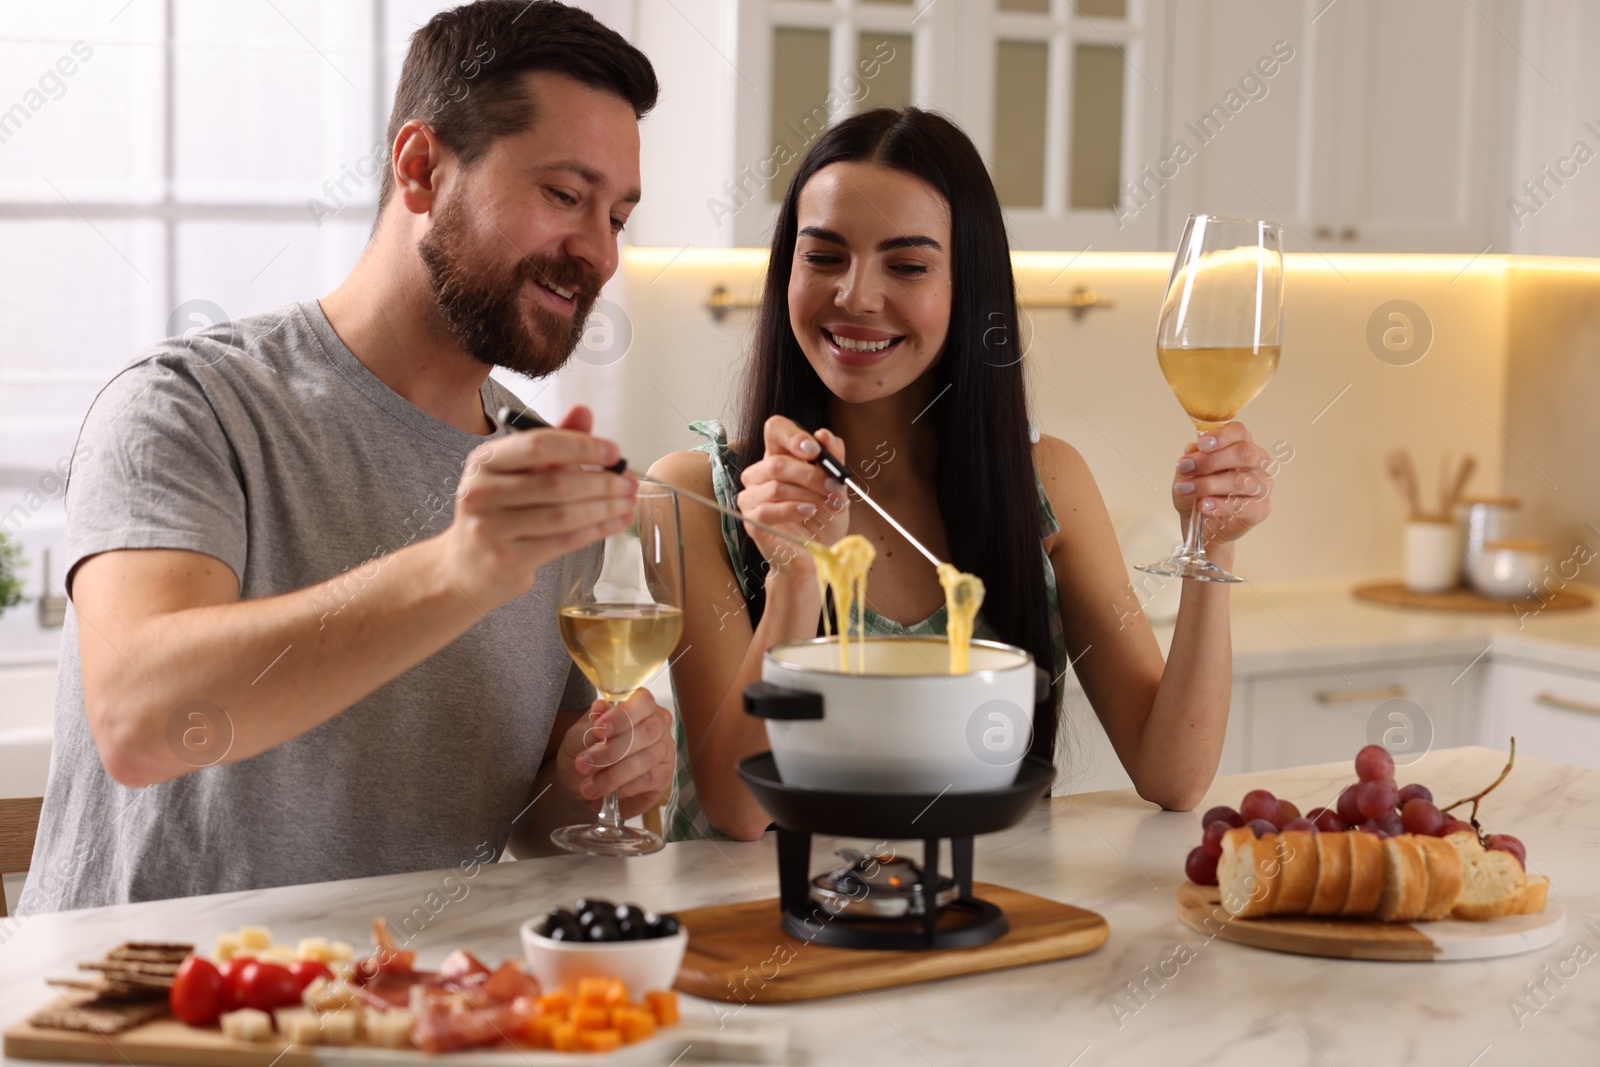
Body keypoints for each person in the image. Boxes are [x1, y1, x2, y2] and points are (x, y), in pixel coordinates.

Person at [19, 0, 673, 914]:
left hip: (407, 1016)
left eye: (618, 215)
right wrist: (457, 569)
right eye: (564, 195)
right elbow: (143, 719)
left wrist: (600, 773)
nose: (597, 252)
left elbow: (534, 816)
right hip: (143, 1023)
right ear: (420, 169)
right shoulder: (191, 401)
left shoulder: (548, 476)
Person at [649, 108, 1275, 842]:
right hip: (763, 940)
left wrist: (1215, 543)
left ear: (967, 287)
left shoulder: (1045, 483)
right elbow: (739, 810)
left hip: (976, 931)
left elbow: (1174, 773)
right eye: (823, 257)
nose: (856, 295)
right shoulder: (695, 494)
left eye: (907, 265)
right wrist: (794, 579)